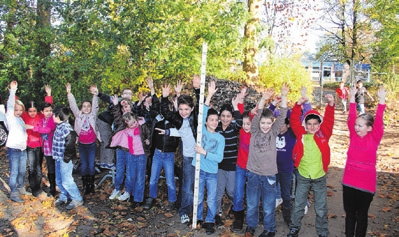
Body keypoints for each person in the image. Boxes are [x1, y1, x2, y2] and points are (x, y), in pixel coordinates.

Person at [287, 92, 335, 237]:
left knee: (321, 207)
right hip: (303, 175)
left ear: (319, 124)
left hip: (319, 176)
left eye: (315, 124)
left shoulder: (323, 134)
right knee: (298, 205)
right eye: (309, 124)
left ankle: (322, 231)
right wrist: (298, 104)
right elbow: (293, 119)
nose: (312, 127)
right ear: (305, 125)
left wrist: (331, 105)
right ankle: (294, 228)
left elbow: (329, 120)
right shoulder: (301, 134)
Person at [342, 85, 386, 237]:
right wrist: (352, 97)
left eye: (360, 126)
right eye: (355, 125)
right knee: (350, 215)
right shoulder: (353, 135)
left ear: (369, 128)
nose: (356, 127)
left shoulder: (374, 138)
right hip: (349, 181)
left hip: (366, 184)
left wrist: (381, 100)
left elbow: (379, 120)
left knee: (362, 215)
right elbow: (352, 116)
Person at [245, 85, 289, 237]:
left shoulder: (274, 132)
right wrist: (263, 99)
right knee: (252, 204)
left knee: (269, 206)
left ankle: (270, 229)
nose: (265, 126)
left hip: (269, 175)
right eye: (263, 123)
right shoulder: (255, 131)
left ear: (272, 124)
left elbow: (282, 115)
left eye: (268, 123)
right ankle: (250, 226)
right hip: (252, 173)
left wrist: (284, 96)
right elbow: (256, 114)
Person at [160, 75, 200, 224]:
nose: (184, 112)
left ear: (192, 109)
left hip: (201, 157)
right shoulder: (178, 121)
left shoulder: (195, 119)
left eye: (186, 109)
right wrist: (164, 98)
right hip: (188, 158)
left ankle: (198, 211)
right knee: (187, 187)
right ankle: (184, 211)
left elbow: (200, 103)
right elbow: (166, 113)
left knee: (199, 186)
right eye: (181, 109)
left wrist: (197, 88)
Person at [193, 80, 225, 235]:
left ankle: (210, 221)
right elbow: (203, 111)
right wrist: (209, 96)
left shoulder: (220, 138)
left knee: (211, 199)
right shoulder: (202, 132)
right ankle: (198, 218)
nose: (214, 122)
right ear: (206, 122)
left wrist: (204, 152)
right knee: (198, 197)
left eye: (216, 120)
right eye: (211, 119)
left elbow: (219, 158)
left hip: (212, 173)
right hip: (199, 170)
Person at [143, 90, 179, 211]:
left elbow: (179, 113)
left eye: (169, 108)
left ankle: (172, 200)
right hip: (157, 153)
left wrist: (176, 100)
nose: (166, 111)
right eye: (165, 108)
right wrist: (153, 91)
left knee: (169, 181)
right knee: (153, 178)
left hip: (169, 154)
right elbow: (154, 109)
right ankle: (151, 197)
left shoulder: (176, 122)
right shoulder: (158, 119)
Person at [214, 87, 244, 226]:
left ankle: (237, 208)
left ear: (231, 117)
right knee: (219, 191)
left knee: (231, 190)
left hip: (232, 166)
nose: (225, 119)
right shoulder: (216, 128)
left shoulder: (233, 127)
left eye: (228, 116)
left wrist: (235, 106)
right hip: (219, 166)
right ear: (220, 117)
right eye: (223, 116)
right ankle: (217, 213)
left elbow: (240, 122)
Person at [67, 83, 101, 195]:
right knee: (84, 165)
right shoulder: (78, 116)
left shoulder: (92, 115)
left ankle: (91, 184)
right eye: (84, 106)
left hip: (91, 145)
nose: (86, 108)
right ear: (81, 108)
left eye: (88, 106)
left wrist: (95, 94)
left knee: (91, 165)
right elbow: (72, 106)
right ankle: (85, 184)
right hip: (82, 144)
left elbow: (96, 104)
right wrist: (69, 93)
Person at [111, 112, 151, 207]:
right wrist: (116, 106)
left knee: (140, 177)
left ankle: (138, 199)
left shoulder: (142, 125)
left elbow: (148, 134)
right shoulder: (126, 130)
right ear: (126, 122)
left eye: (134, 122)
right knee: (132, 176)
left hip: (141, 154)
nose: (134, 124)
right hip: (131, 154)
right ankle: (132, 195)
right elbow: (117, 118)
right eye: (131, 123)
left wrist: (148, 140)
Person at [26, 85, 57, 197]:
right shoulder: (40, 118)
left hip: (49, 148)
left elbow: (47, 129)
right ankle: (34, 187)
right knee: (34, 167)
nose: (49, 112)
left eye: (50, 111)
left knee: (48, 168)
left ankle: (52, 188)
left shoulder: (50, 120)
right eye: (46, 111)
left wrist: (49, 95)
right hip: (39, 147)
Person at [52, 105, 83, 210]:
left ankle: (77, 198)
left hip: (64, 159)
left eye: (53, 115)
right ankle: (64, 196)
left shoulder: (66, 128)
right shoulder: (59, 126)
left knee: (67, 180)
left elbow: (71, 141)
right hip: (58, 158)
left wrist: (67, 158)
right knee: (59, 179)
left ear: (57, 116)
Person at [95, 87, 133, 170]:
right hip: (104, 121)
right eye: (126, 93)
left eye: (129, 94)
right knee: (109, 142)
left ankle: (103, 162)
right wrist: (99, 94)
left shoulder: (130, 104)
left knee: (106, 142)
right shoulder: (118, 100)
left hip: (110, 123)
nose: (128, 95)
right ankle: (108, 163)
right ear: (122, 95)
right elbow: (108, 98)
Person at [6, 81, 30, 203]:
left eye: (21, 110)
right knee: (14, 171)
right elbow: (10, 105)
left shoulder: (20, 119)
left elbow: (24, 129)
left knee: (22, 170)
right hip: (13, 149)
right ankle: (14, 192)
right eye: (16, 110)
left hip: (22, 149)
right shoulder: (10, 116)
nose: (19, 112)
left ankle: (20, 187)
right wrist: (13, 90)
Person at [108, 96, 135, 202]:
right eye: (123, 108)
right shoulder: (121, 120)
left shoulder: (135, 119)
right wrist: (115, 105)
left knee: (129, 172)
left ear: (131, 106)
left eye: (126, 106)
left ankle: (128, 191)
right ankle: (117, 188)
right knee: (119, 170)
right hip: (120, 149)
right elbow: (117, 117)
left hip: (130, 150)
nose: (125, 109)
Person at [231, 110, 251, 232]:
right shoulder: (242, 130)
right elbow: (240, 113)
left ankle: (251, 219)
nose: (245, 126)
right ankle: (238, 218)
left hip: (253, 168)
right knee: (238, 193)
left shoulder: (255, 132)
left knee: (252, 195)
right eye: (244, 123)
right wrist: (240, 99)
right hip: (240, 167)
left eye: (248, 124)